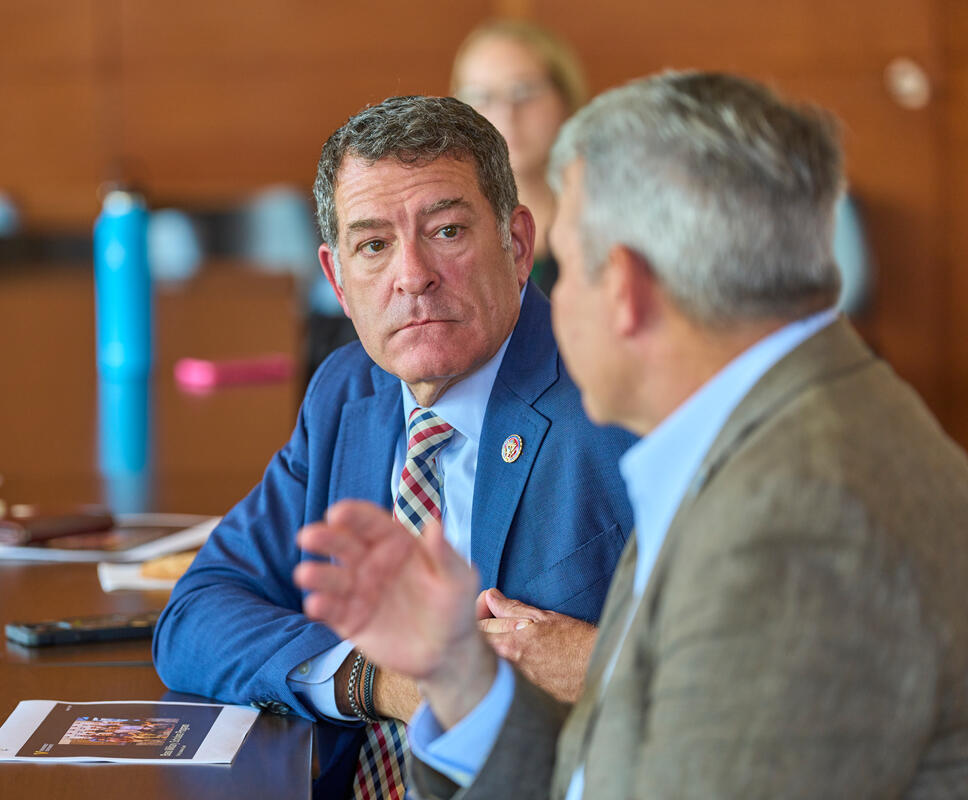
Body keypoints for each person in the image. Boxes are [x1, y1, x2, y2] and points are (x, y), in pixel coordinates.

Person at [295, 71, 968, 798]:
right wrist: (463, 678)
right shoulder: (755, 440)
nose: (547, 304)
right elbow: (618, 772)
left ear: (626, 287)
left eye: (566, 265)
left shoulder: (797, 515)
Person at [154, 95, 636, 799]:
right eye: (374, 245)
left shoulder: (613, 395)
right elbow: (196, 614)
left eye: (445, 231)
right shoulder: (347, 394)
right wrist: (377, 681)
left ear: (519, 243)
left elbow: (742, 663)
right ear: (338, 281)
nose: (412, 274)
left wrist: (599, 659)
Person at [451, 19, 586, 296]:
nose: (506, 114)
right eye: (481, 96)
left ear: (566, 98)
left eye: (523, 91)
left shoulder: (610, 220)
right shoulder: (445, 225)